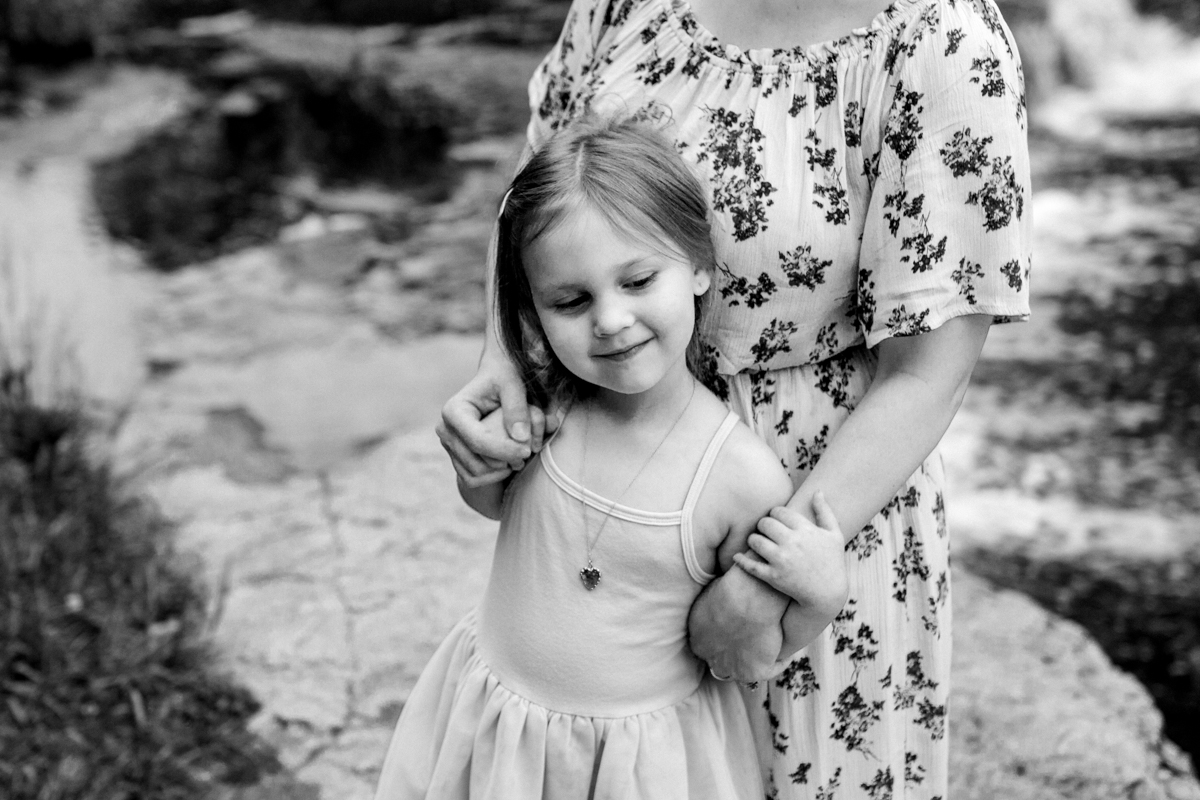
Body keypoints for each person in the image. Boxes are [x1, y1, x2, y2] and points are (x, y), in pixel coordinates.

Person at [438, 0, 1033, 797]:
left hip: (798, 508)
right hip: (612, 442)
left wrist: (767, 584)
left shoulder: (943, 44)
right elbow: (535, 191)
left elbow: (928, 372)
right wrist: (504, 356)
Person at [375, 113, 849, 800]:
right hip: (501, 729)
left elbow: (746, 654)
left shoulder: (737, 477)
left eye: (636, 281)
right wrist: (476, 472)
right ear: (534, 312)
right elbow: (505, 512)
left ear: (697, 266)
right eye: (571, 300)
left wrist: (819, 594)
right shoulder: (548, 404)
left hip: (637, 766)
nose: (610, 320)